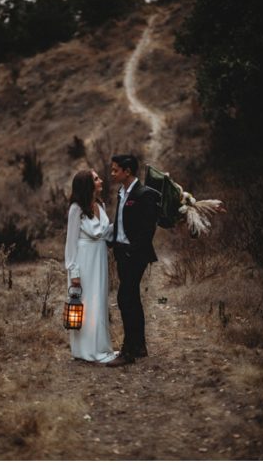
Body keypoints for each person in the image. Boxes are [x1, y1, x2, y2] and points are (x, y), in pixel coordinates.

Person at [106, 154, 160, 367]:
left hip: (134, 256)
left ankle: (127, 352)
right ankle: (139, 346)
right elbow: (120, 222)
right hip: (121, 253)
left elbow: (148, 229)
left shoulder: (143, 193)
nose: (112, 173)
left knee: (125, 299)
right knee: (132, 299)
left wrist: (131, 251)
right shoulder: (122, 193)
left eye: (115, 170)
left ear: (127, 171)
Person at [64, 169, 119, 364]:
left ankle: (101, 347)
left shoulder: (99, 205)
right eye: (96, 178)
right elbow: (70, 244)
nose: (101, 180)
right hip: (84, 261)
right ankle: (85, 351)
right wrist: (74, 272)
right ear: (88, 184)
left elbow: (106, 232)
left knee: (99, 302)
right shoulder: (76, 209)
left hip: (99, 259)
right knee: (85, 305)